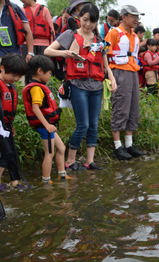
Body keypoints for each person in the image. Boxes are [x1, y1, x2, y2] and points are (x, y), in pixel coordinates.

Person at [44, 3, 116, 171]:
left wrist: (112, 79)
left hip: (97, 87)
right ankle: (70, 160)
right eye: (85, 20)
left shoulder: (99, 41)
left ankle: (89, 161)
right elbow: (48, 51)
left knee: (94, 125)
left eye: (92, 21)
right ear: (79, 18)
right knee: (82, 124)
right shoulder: (70, 35)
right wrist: (64, 53)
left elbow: (106, 65)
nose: (88, 24)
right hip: (78, 85)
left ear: (97, 21)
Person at [105, 5, 146, 160]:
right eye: (133, 16)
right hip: (119, 71)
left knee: (133, 108)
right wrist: (110, 76)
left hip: (133, 72)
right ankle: (117, 146)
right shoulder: (114, 32)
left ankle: (129, 144)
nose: (136, 19)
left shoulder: (135, 36)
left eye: (138, 16)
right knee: (120, 107)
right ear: (123, 17)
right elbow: (105, 54)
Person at [22, 55, 69, 184]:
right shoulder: (36, 88)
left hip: (48, 125)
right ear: (40, 72)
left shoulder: (40, 86)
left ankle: (62, 175)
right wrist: (47, 125)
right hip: (45, 126)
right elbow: (35, 108)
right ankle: (46, 181)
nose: (50, 76)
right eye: (49, 73)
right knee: (49, 153)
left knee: (61, 148)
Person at [0, 54, 27, 190]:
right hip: (0, 127)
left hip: (7, 125)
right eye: (14, 75)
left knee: (12, 153)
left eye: (19, 77)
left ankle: (14, 181)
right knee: (5, 153)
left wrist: (11, 125)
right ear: (2, 68)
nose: (16, 79)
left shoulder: (11, 86)